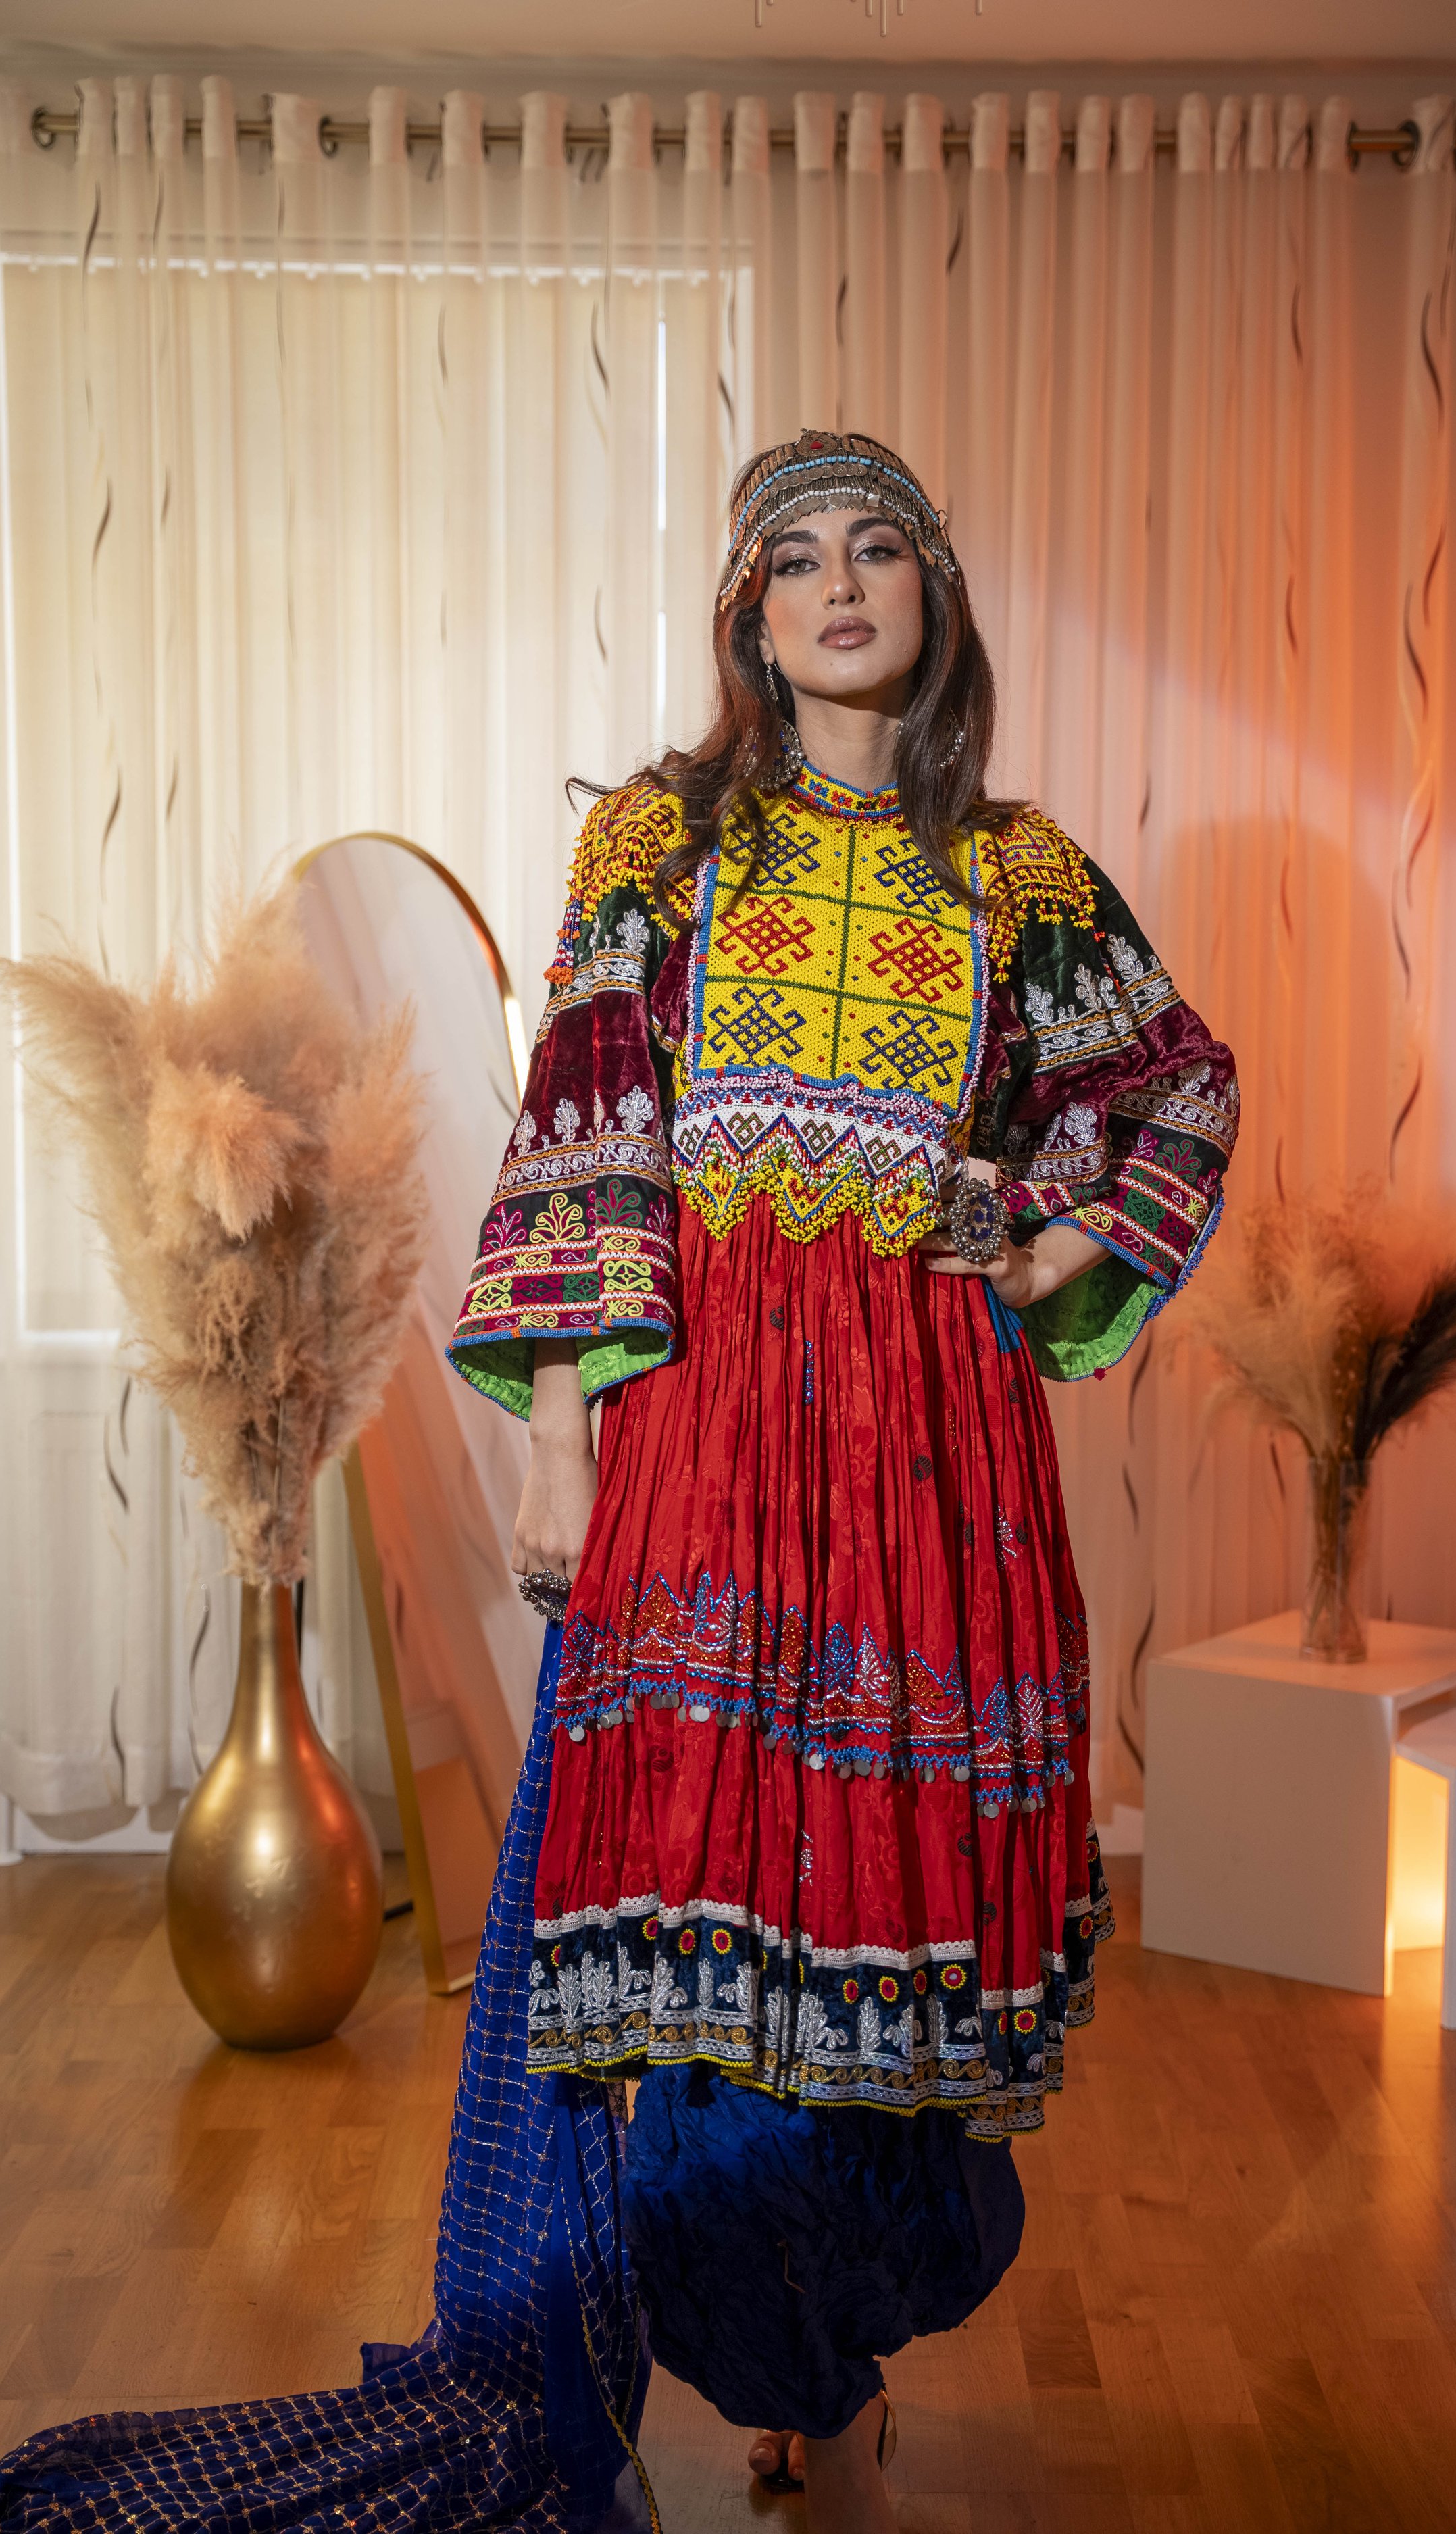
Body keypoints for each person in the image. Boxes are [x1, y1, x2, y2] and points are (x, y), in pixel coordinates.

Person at [447, 429, 1238, 2533]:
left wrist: (1043, 1248)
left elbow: (1175, 1089)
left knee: (889, 1926)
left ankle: (839, 2353)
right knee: (714, 1921)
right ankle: (767, 2357)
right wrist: (557, 1435)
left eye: (878, 547)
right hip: (704, 1409)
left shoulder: (1024, 876)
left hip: (927, 1441)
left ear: (934, 596)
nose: (840, 582)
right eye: (794, 559)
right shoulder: (661, 843)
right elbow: (586, 1121)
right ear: (747, 615)